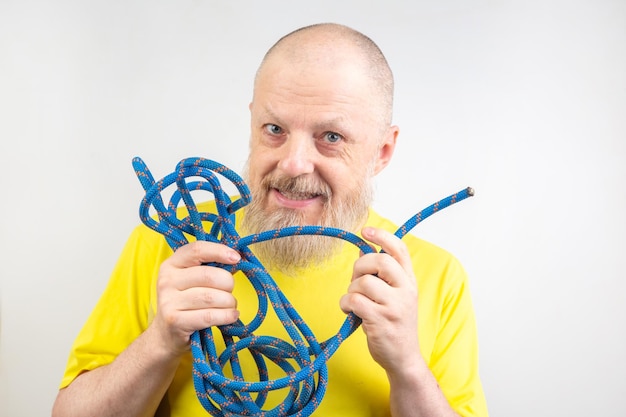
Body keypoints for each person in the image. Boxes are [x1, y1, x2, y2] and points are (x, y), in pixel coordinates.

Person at [52, 23, 488, 417]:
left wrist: (408, 366)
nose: (294, 163)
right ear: (252, 124)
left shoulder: (433, 277)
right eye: (274, 130)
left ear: (382, 152)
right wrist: (158, 344)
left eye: (330, 137)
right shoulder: (175, 244)